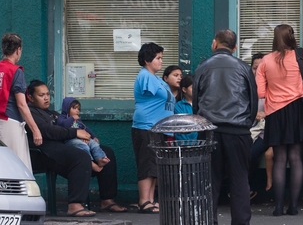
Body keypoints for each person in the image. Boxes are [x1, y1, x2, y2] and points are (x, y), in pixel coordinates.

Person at [27, 80, 127, 216]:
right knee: (80, 156)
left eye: (47, 94)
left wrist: (87, 137)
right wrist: (75, 133)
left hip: (65, 147)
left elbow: (69, 127)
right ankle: (74, 205)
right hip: (46, 152)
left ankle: (107, 200)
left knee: (106, 152)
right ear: (31, 97)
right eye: (41, 95)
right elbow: (48, 131)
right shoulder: (31, 113)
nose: (46, 98)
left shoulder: (53, 113)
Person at [193, 29, 258, 224]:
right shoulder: (243, 67)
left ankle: (208, 220)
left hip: (208, 130)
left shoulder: (203, 67)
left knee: (209, 181)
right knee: (239, 180)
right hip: (237, 130)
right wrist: (246, 123)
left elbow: (196, 101)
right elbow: (252, 102)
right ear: (234, 47)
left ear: (215, 43)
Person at [255, 25, 303, 217]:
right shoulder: (300, 55)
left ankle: (278, 207)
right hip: (296, 109)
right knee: (296, 158)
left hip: (275, 113)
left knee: (280, 159)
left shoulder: (265, 60)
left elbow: (260, 93)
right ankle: (294, 206)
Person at [0, 33, 42, 171]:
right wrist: (35, 129)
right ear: (18, 50)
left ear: (3, 49)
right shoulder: (16, 71)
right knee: (17, 168)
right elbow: (21, 104)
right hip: (9, 122)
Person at [132, 42, 176, 214]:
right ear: (147, 60)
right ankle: (144, 201)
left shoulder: (157, 79)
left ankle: (150, 200)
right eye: (157, 58)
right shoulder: (145, 76)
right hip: (146, 127)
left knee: (154, 165)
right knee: (146, 164)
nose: (160, 61)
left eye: (161, 58)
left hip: (158, 128)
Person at [57, 97, 111, 172]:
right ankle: (91, 163)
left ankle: (100, 158)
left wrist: (93, 136)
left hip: (82, 139)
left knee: (94, 144)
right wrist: (72, 118)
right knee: (84, 146)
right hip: (71, 141)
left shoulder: (78, 121)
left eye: (78, 109)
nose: (77, 111)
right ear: (67, 108)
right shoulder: (62, 118)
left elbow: (86, 128)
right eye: (74, 108)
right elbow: (63, 125)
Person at [248, 52, 274, 194]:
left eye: (261, 68)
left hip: (267, 133)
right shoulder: (245, 89)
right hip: (248, 130)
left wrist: (266, 115)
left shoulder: (275, 88)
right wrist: (252, 115)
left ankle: (247, 188)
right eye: (254, 68)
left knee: (250, 153)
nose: (257, 71)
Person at [173, 74, 198, 141]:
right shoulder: (179, 106)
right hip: (184, 143)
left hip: (200, 143)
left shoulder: (202, 104)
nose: (196, 90)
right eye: (193, 88)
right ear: (184, 89)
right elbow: (181, 126)